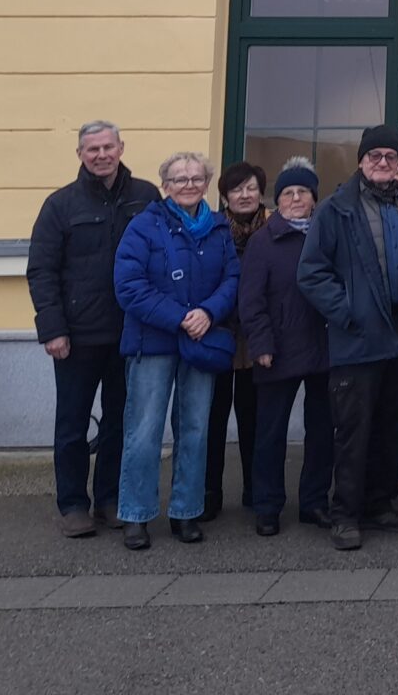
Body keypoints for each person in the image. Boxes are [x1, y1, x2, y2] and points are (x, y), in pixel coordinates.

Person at [296, 125, 398, 551]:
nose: (383, 163)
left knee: (392, 426)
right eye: (375, 156)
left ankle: (380, 503)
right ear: (361, 161)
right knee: (354, 430)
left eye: (391, 157)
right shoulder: (337, 209)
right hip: (358, 338)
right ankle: (345, 514)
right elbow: (311, 273)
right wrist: (348, 311)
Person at [26, 120, 158, 537]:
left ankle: (109, 500)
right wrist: (52, 329)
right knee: (72, 423)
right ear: (80, 155)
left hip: (130, 334)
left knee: (121, 421)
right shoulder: (60, 205)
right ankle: (72, 505)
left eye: (107, 147)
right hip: (77, 336)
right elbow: (41, 271)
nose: (101, 155)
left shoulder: (146, 197)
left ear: (121, 148)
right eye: (92, 149)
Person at [113, 152, 240, 550]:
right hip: (153, 343)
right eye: (180, 178)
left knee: (196, 430)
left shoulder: (219, 229)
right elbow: (129, 287)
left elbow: (233, 278)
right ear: (165, 185)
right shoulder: (143, 227)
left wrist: (209, 311)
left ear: (206, 183)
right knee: (144, 431)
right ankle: (136, 515)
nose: (188, 184)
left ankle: (186, 511)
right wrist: (182, 317)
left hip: (201, 341)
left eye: (196, 178)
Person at [239, 158, 332, 535]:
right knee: (270, 432)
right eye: (288, 193)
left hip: (323, 347)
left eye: (303, 192)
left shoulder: (326, 235)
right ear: (278, 200)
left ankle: (314, 501)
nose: (296, 199)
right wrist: (261, 343)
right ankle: (267, 505)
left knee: (323, 431)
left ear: (314, 198)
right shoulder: (263, 240)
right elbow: (251, 300)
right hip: (276, 348)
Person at [203, 160, 267, 521]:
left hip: (257, 341)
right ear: (224, 196)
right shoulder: (211, 231)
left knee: (254, 419)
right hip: (218, 336)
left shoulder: (274, 229)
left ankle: (255, 491)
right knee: (212, 419)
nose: (245, 195)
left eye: (251, 188)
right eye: (237, 189)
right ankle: (209, 492)